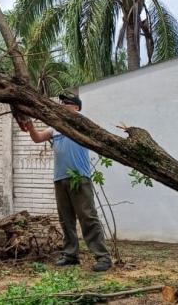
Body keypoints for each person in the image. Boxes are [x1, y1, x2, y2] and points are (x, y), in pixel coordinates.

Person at [19, 93, 112, 272]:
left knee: (88, 217)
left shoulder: (81, 123)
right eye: (61, 103)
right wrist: (29, 124)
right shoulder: (55, 127)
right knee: (66, 219)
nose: (62, 105)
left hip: (80, 177)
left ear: (76, 108)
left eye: (67, 103)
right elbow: (37, 138)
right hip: (60, 178)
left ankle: (103, 257)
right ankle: (70, 255)